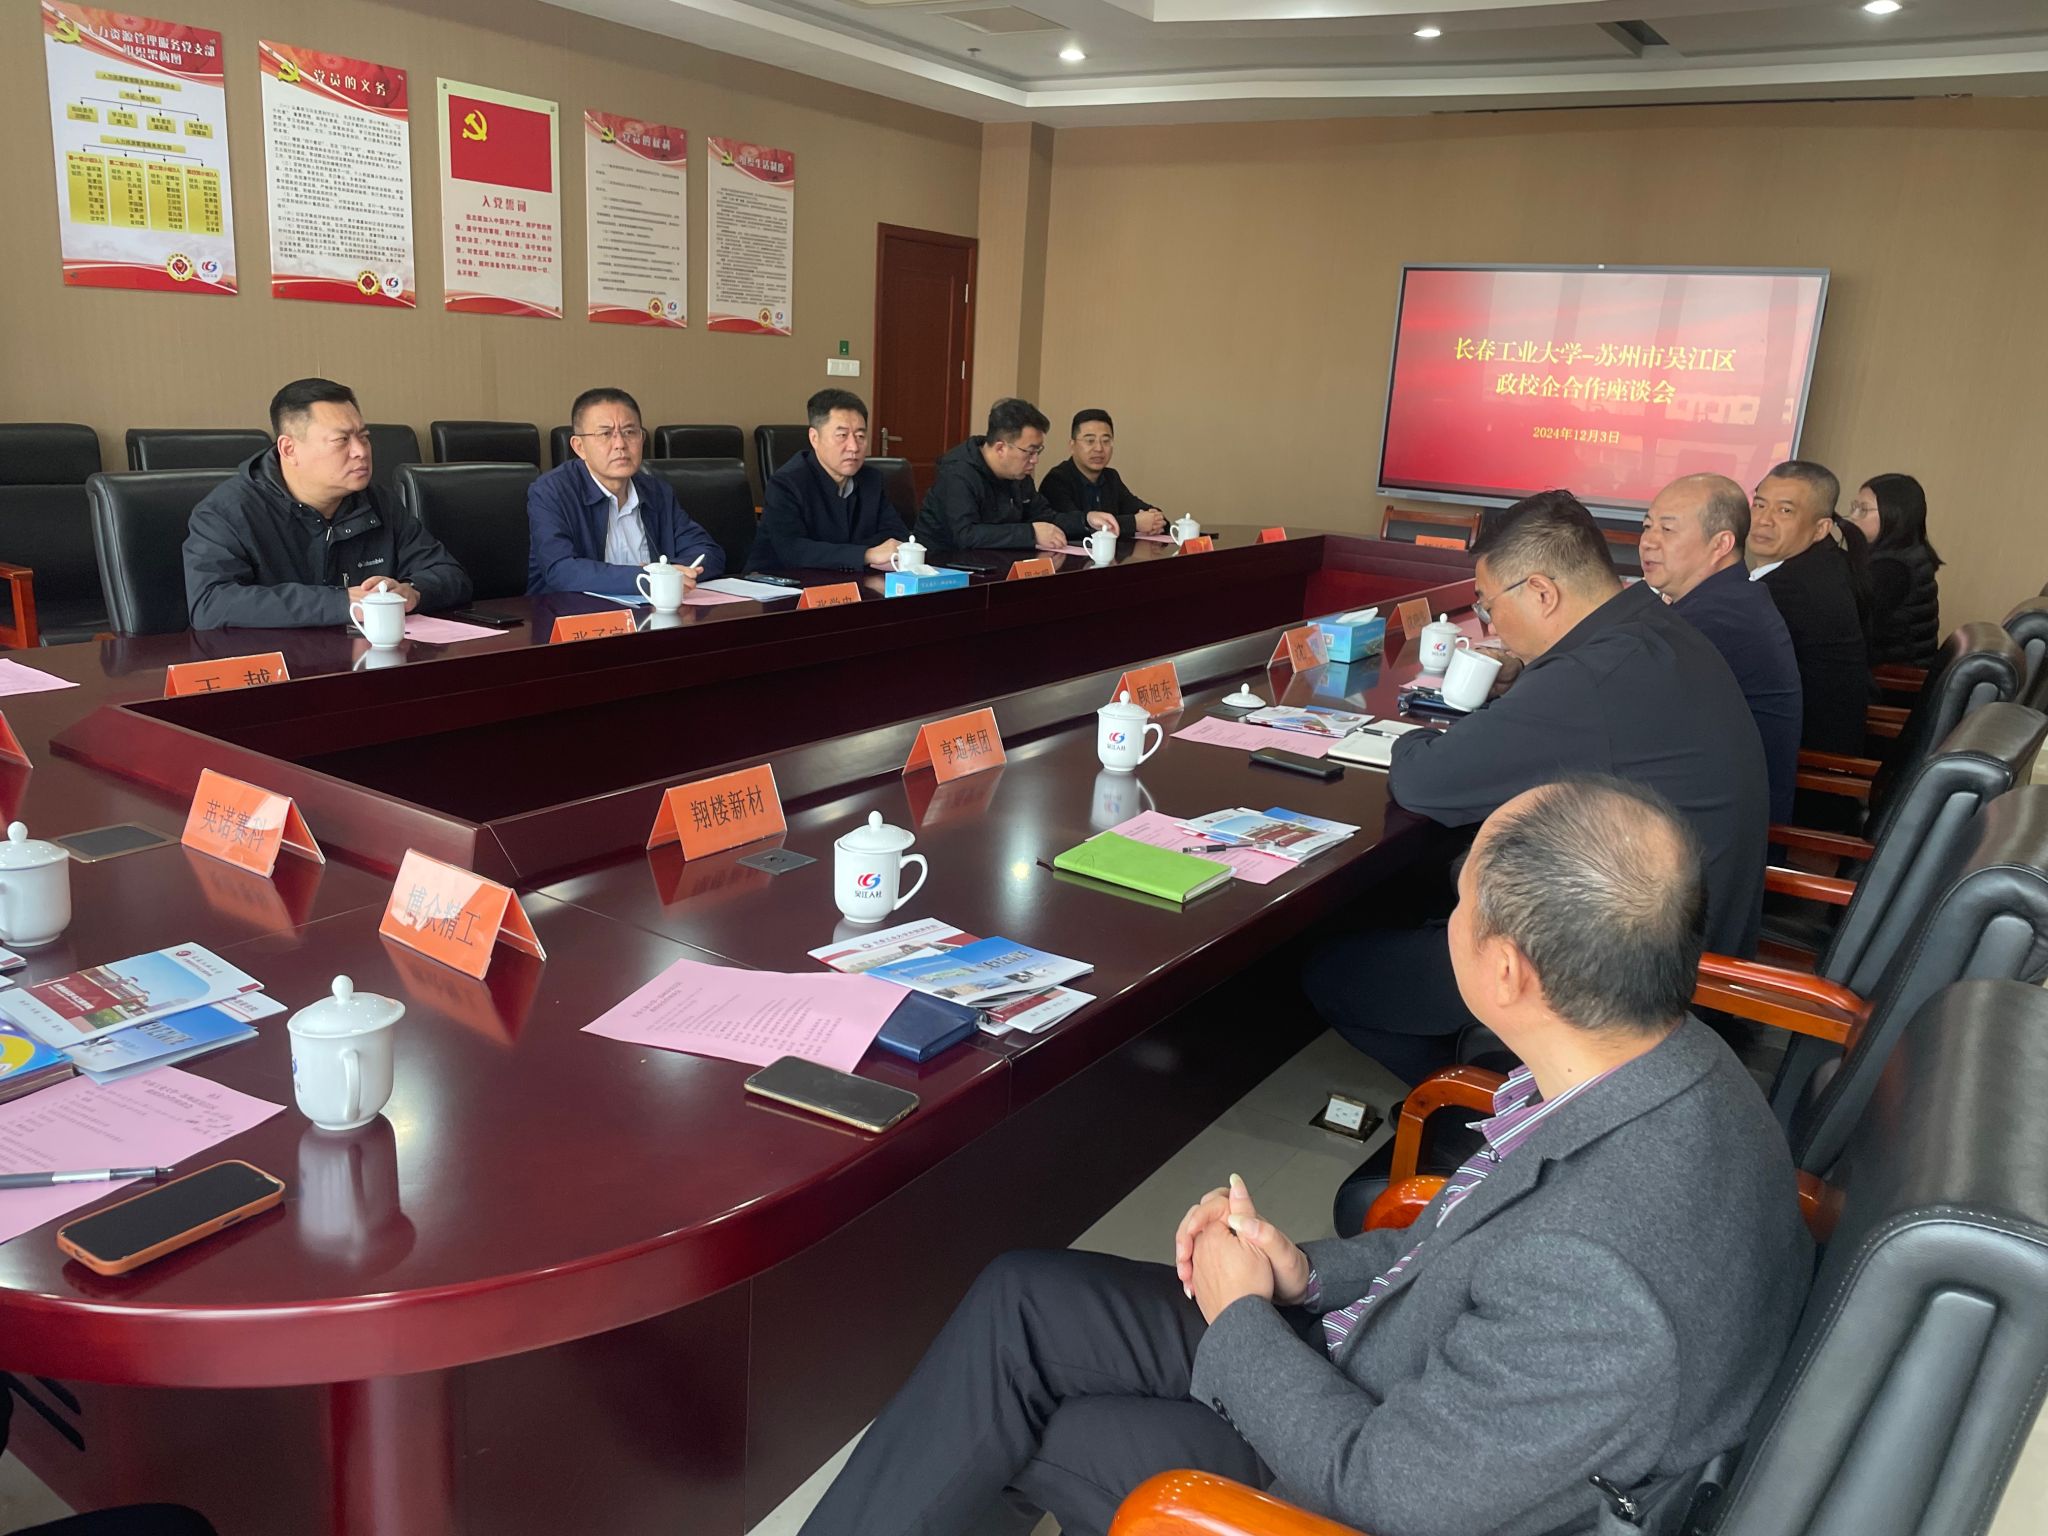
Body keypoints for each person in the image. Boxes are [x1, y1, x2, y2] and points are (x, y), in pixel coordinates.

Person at [798, 778, 1812, 1536]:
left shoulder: (1600, 1276)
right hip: (1398, 1365)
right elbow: (1466, 1249)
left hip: (1359, 1470)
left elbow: (1388, 1489)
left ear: (1506, 972)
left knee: (1026, 1432)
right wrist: (1302, 1275)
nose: (1448, 922)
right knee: (1020, 1297)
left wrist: (1243, 1316)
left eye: (1459, 906)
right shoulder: (1665, 1061)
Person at [1305, 490, 1768, 1086]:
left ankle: (1485, 1103)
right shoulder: (1652, 631)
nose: (1491, 624)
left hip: (1621, 977)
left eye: (1489, 605)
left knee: (1329, 970)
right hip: (1683, 934)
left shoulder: (1592, 677)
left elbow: (1425, 780)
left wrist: (1412, 732)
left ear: (1543, 593)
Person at [183, 379, 471, 629]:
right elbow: (211, 604)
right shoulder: (227, 512)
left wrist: (412, 592)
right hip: (279, 667)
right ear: (289, 449)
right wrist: (340, 603)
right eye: (341, 440)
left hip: (367, 662)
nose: (360, 451)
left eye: (364, 437)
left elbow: (451, 575)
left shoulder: (379, 502)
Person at [1639, 473, 1802, 823]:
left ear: (1721, 544)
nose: (1648, 542)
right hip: (1711, 804)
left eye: (1667, 530)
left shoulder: (1719, 620)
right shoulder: (1731, 597)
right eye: (1647, 526)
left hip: (1718, 829)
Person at [526, 387, 724, 595]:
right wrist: (650, 578)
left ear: (642, 438)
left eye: (629, 432)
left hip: (651, 610)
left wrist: (670, 575)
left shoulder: (657, 491)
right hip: (573, 612)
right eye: (605, 434)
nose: (620, 444)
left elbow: (708, 552)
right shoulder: (551, 492)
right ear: (579, 447)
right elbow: (561, 570)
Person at [1746, 461, 1871, 756]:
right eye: (1759, 505)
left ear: (1820, 529)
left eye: (1785, 511)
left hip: (1806, 761)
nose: (1763, 520)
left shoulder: (1790, 589)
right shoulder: (1825, 562)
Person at [914, 398, 1115, 554]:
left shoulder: (1019, 474)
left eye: (1038, 451)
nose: (1035, 460)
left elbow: (1046, 517)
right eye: (1030, 451)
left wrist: (1086, 520)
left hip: (994, 563)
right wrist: (1032, 533)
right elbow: (966, 535)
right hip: (942, 568)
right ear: (1000, 448)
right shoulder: (958, 473)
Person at [748, 388, 908, 572]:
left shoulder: (871, 479)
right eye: (842, 436)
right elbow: (793, 550)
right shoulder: (786, 483)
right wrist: (866, 554)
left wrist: (841, 554)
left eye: (860, 436)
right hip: (783, 583)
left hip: (851, 580)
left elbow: (896, 535)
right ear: (814, 438)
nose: (853, 447)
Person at [1846, 473, 1943, 668]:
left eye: (1863, 509)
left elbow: (1848, 620)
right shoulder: (1906, 553)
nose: (1852, 517)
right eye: (1854, 507)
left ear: (1894, 515)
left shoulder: (1892, 569)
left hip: (1893, 677)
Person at [1039, 410, 1168, 537]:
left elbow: (1143, 510)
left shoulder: (1111, 477)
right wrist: (1134, 523)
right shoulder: (1056, 480)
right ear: (1072, 446)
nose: (1099, 448)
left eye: (1106, 441)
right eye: (1090, 441)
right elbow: (1075, 526)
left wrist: (1156, 520)